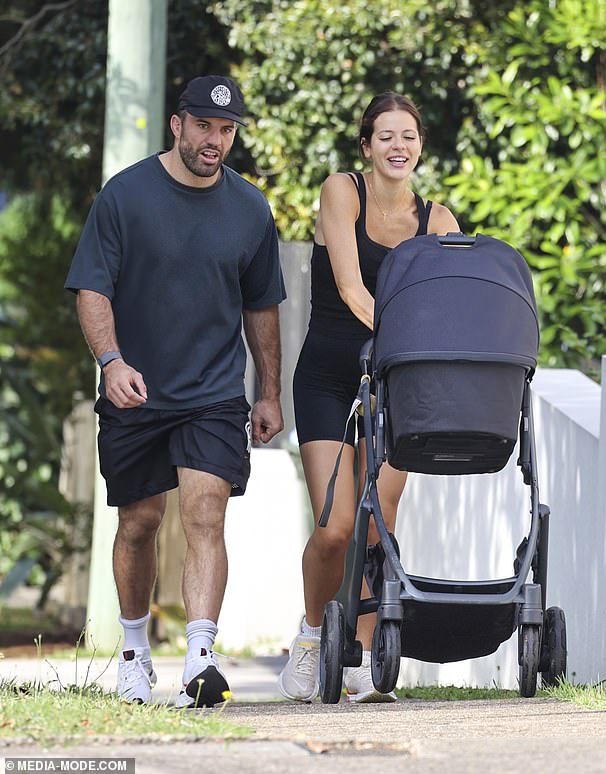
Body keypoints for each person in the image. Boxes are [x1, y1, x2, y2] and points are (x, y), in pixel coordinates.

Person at [65, 75, 286, 707]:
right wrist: (110, 361)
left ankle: (199, 656)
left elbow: (262, 306)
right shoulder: (125, 197)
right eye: (205, 127)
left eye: (227, 130)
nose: (215, 141)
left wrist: (268, 392)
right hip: (136, 389)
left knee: (206, 513)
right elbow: (92, 289)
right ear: (177, 125)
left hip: (214, 392)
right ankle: (134, 653)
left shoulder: (249, 208)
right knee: (139, 522)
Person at [278, 92, 460, 703]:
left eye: (408, 135)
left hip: (394, 383)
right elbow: (355, 289)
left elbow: (447, 306)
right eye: (385, 135)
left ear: (420, 146)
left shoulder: (440, 223)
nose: (398, 146)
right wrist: (405, 333)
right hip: (330, 376)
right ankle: (309, 641)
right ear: (366, 146)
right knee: (334, 527)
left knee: (378, 528)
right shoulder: (341, 191)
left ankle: (356, 659)